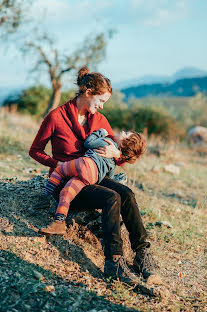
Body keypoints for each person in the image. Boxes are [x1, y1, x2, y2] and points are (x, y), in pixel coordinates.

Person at [29, 66, 155, 285]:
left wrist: (118, 154)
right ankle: (114, 262)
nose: (102, 106)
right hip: (67, 181)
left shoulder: (100, 120)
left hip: (94, 175)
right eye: (101, 100)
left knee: (126, 193)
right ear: (87, 91)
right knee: (111, 198)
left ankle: (142, 254)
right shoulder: (56, 117)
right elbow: (35, 150)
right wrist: (58, 164)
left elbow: (115, 153)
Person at [38, 128, 146, 236]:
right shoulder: (113, 162)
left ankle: (45, 197)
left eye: (126, 133)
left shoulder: (108, 142)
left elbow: (88, 143)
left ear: (123, 144)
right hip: (92, 178)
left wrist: (100, 133)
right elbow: (110, 177)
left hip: (85, 164)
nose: (122, 131)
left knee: (58, 170)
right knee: (67, 191)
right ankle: (59, 223)